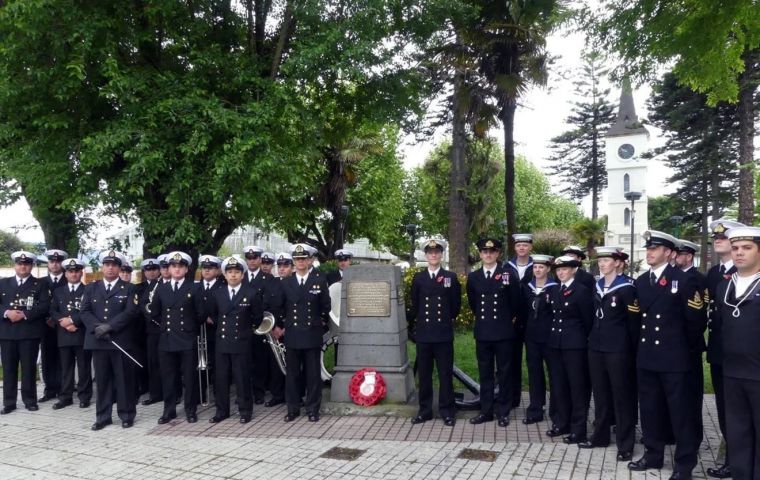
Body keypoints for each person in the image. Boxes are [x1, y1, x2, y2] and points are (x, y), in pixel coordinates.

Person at [628, 231, 706, 480]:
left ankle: (684, 465)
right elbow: (636, 319)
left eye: (655, 249)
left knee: (680, 413)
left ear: (670, 253)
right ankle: (653, 454)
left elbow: (695, 322)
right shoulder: (641, 281)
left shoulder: (682, 281)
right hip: (648, 355)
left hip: (674, 357)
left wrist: (681, 349)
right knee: (650, 409)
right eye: (648, 249)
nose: (649, 253)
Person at [579, 247, 639, 461]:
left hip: (618, 349)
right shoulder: (596, 286)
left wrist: (630, 351)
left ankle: (625, 444)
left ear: (617, 263)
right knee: (601, 394)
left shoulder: (627, 288)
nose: (602, 264)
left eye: (606, 261)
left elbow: (633, 324)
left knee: (622, 396)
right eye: (600, 261)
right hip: (596, 347)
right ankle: (600, 436)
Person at [716, 226, 760, 480]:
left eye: (747, 247)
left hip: (758, 371)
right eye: (735, 248)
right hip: (732, 371)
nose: (739, 253)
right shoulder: (725, 287)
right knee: (738, 435)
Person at [80, 250, 140, 430]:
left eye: (114, 265)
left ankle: (127, 414)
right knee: (103, 381)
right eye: (107, 264)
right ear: (102, 267)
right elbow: (84, 311)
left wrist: (110, 326)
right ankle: (103, 416)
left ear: (120, 268)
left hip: (120, 341)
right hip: (99, 341)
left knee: (123, 380)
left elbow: (131, 312)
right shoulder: (91, 287)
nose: (110, 268)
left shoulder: (129, 288)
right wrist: (97, 327)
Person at [704, 219, 743, 479]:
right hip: (719, 351)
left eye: (723, 236)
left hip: (744, 353)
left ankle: (741, 461)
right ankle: (731, 459)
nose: (717, 239)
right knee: (725, 409)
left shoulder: (746, 272)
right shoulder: (714, 274)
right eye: (715, 237)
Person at [467, 238, 521, 427]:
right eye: (484, 252)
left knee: (505, 373)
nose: (488, 255)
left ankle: (503, 411)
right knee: (485, 373)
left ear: (498, 254)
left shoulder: (508, 274)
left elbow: (515, 302)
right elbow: (474, 303)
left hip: (504, 332)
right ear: (480, 254)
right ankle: (486, 411)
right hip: (483, 331)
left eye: (492, 251)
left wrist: (506, 319)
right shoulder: (474, 277)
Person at [408, 239, 461, 427]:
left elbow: (455, 306)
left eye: (437, 252)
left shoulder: (450, 277)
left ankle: (447, 411)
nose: (433, 255)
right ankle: (425, 411)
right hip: (424, 334)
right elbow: (415, 305)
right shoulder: (419, 278)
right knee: (424, 374)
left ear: (441, 255)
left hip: (443, 334)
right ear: (426, 255)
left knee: (445, 374)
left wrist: (445, 321)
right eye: (430, 253)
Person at [148, 251, 204, 424]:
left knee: (189, 377)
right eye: (174, 266)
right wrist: (166, 326)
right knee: (168, 376)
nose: (177, 269)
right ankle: (169, 410)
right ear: (169, 269)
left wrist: (189, 327)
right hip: (167, 339)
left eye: (181, 266)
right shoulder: (161, 288)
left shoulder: (194, 287)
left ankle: (190, 409)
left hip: (187, 338)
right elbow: (155, 312)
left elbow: (201, 314)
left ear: (186, 269)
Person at [206, 256, 261, 424]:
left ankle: (245, 411)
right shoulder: (217, 293)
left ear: (242, 275)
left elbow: (257, 317)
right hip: (222, 341)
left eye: (237, 272)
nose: (233, 275)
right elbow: (213, 315)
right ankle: (222, 411)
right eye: (230, 272)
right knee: (221, 378)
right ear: (224, 274)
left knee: (242, 378)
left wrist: (246, 330)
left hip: (242, 341)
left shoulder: (251, 293)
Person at [545, 255, 594, 444]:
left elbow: (587, 320)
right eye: (558, 270)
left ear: (573, 270)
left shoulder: (581, 291)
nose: (561, 273)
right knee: (559, 386)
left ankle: (578, 429)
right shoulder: (556, 290)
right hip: (556, 344)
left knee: (577, 388)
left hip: (575, 345)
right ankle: (562, 422)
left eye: (564, 269)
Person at [281, 244, 331, 422]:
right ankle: (292, 408)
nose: (300, 262)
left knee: (312, 374)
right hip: (293, 334)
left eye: (303, 259)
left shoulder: (319, 280)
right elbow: (280, 307)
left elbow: (326, 306)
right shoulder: (286, 281)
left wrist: (320, 322)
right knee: (292, 374)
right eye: (297, 259)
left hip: (311, 333)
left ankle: (312, 409)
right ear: (293, 261)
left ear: (310, 260)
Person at [0, 251, 50, 414]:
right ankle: (9, 402)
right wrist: (7, 313)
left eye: (26, 264)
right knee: (9, 368)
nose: (23, 266)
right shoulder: (3, 283)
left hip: (29, 332)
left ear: (31, 266)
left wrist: (25, 314)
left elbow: (44, 306)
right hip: (7, 332)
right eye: (20, 264)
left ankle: (30, 400)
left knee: (29, 368)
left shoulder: (40, 284)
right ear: (15, 265)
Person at [676, 238, 709, 448]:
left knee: (692, 393)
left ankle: (694, 435)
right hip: (673, 344)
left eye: (680, 254)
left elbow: (698, 315)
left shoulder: (697, 278)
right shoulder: (672, 277)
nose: (676, 257)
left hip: (691, 344)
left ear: (688, 256)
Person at [49, 258, 92, 409]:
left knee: (84, 367)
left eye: (76, 271)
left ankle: (84, 396)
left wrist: (73, 321)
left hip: (81, 334)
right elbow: (52, 310)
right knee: (65, 368)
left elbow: (89, 311)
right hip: (64, 334)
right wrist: (62, 321)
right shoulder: (58, 291)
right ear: (65, 273)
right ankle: (65, 397)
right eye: (70, 271)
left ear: (81, 273)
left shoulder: (88, 290)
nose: (73, 274)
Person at [521, 254, 557, 425]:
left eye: (541, 267)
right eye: (535, 267)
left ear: (548, 269)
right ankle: (536, 408)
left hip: (550, 337)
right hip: (532, 337)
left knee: (554, 374)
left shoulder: (555, 288)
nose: (538, 270)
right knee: (535, 373)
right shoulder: (526, 288)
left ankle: (556, 410)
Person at [507, 233, 533, 410]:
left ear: (530, 247)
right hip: (513, 322)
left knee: (534, 363)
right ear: (515, 248)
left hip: (533, 321)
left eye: (525, 245)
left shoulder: (538, 266)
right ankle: (513, 398)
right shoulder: (506, 267)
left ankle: (537, 402)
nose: (522, 248)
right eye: (519, 245)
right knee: (512, 361)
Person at [38, 249, 68, 403]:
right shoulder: (40, 282)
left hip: (64, 326)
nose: (55, 264)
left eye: (58, 261)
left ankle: (64, 389)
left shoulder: (69, 280)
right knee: (47, 358)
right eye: (52, 261)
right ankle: (49, 389)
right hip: (45, 326)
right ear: (48, 263)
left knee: (64, 359)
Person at [196, 254, 224, 403]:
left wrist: (213, 318)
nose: (206, 271)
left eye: (210, 268)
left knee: (217, 366)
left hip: (216, 332)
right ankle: (200, 394)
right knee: (199, 366)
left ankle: (217, 395)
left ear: (217, 270)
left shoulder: (223, 286)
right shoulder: (195, 287)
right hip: (198, 333)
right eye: (204, 268)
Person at [138, 258, 163, 406]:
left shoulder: (163, 285)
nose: (152, 272)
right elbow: (142, 306)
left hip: (163, 328)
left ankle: (172, 393)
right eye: (149, 270)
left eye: (155, 269)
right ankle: (154, 393)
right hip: (148, 331)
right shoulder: (140, 287)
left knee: (167, 363)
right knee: (152, 362)